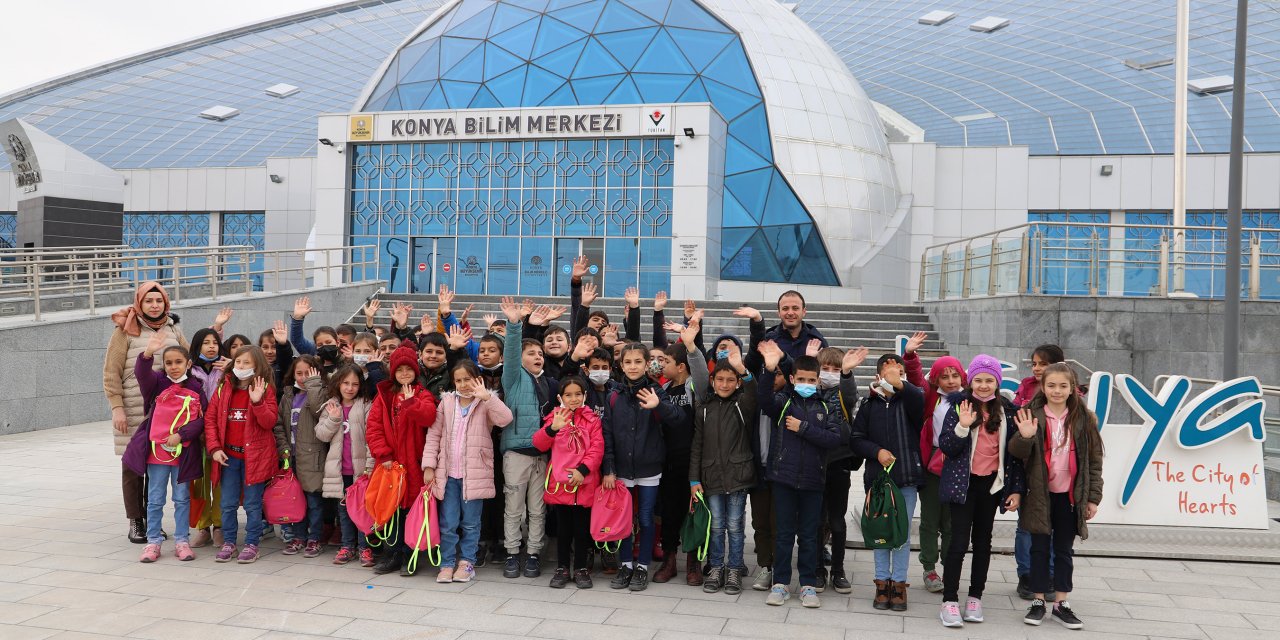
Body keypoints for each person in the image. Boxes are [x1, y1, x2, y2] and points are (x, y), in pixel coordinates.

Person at [1013, 363, 1104, 631]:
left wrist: (1093, 498)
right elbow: (1016, 453)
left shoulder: (1084, 418)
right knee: (1039, 548)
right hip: (1039, 494)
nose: (1057, 390)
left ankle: (1061, 603)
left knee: (1063, 550)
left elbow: (1095, 461)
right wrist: (1026, 437)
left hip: (1070, 496)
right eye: (1051, 385)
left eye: (1063, 386)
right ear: (1043, 386)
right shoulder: (1031, 414)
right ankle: (1038, 601)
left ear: (1072, 389)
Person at [937, 355, 1025, 628]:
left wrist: (1017, 490)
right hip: (963, 485)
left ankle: (975, 597)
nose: (984, 385)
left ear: (997, 382)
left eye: (989, 380)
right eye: (978, 380)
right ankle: (949, 599)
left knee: (983, 543)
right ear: (970, 380)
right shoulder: (958, 405)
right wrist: (963, 426)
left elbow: (1015, 458)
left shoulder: (1007, 411)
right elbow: (947, 447)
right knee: (958, 543)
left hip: (992, 486)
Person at [756, 343, 843, 609]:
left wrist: (804, 428)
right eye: (801, 379)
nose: (806, 383)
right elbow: (764, 400)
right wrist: (770, 369)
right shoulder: (785, 401)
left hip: (813, 482)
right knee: (783, 534)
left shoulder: (825, 406)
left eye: (811, 380)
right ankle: (780, 583)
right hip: (783, 478)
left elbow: (834, 438)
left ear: (818, 381)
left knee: (808, 535)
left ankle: (807, 585)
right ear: (792, 379)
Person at [103, 281, 187, 543]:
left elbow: (189, 361)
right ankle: (136, 521)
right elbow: (111, 373)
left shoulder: (173, 329)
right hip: (133, 407)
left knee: (157, 465)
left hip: (166, 412)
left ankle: (152, 521)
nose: (154, 305)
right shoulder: (124, 331)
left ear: (166, 303)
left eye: (159, 301)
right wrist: (117, 407)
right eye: (149, 301)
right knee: (132, 467)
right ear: (140, 303)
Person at [423, 361, 513, 583]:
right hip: (448, 475)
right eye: (459, 380)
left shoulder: (485, 402)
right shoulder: (446, 403)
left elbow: (505, 419)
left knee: (471, 523)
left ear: (477, 379)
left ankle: (467, 563)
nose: (463, 384)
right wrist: (429, 466)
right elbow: (433, 435)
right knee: (448, 522)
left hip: (474, 475)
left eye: (467, 379)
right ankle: (446, 563)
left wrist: (487, 397)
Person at [603, 342, 683, 592]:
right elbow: (607, 434)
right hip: (622, 469)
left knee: (647, 518)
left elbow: (678, 420)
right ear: (621, 365)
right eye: (628, 362)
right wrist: (609, 467)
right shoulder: (613, 395)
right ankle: (626, 564)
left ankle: (642, 567)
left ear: (647, 364)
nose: (633, 366)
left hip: (649, 467)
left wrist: (658, 405)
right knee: (625, 519)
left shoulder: (656, 390)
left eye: (638, 362)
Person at [121, 331, 206, 563]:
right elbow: (141, 374)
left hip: (184, 453)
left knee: (181, 499)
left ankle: (181, 541)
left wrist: (181, 435)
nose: (173, 367)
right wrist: (147, 354)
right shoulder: (157, 383)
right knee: (155, 498)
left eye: (178, 362)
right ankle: (153, 542)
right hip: (156, 454)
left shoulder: (196, 387)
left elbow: (201, 419)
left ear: (188, 363)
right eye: (169, 363)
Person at [850, 353, 925, 612]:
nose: (892, 375)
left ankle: (900, 584)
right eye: (887, 371)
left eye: (898, 371)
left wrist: (902, 384)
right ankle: (882, 583)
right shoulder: (868, 404)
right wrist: (876, 451)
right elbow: (856, 438)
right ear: (877, 376)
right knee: (882, 532)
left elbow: (920, 398)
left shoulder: (911, 401)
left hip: (906, 478)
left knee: (901, 535)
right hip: (878, 481)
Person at [496, 297, 560, 579]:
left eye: (540, 354)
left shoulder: (547, 382)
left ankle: (533, 553)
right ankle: (512, 553)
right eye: (531, 353)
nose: (538, 357)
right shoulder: (513, 377)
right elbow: (510, 353)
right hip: (517, 454)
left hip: (541, 455)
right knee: (513, 509)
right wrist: (514, 324)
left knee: (537, 509)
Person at [365, 343, 439, 576]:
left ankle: (411, 554)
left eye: (409, 369)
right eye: (400, 370)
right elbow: (373, 428)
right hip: (390, 466)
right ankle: (393, 553)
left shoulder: (422, 394)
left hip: (414, 465)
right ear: (393, 372)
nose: (404, 373)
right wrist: (383, 453)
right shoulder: (384, 397)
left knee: (412, 512)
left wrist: (410, 403)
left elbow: (428, 417)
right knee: (392, 511)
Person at [689, 348, 757, 595]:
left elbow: (753, 391)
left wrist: (743, 370)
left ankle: (735, 568)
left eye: (730, 380)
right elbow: (697, 445)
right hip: (711, 477)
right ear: (712, 381)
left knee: (736, 526)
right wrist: (694, 479)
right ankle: (716, 566)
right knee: (716, 525)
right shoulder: (703, 408)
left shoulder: (742, 404)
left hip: (738, 476)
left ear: (737, 382)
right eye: (720, 379)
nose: (725, 384)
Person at [205, 346, 279, 564]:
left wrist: (257, 402)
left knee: (252, 504)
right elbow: (210, 420)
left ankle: (252, 544)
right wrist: (215, 448)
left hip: (254, 458)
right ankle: (229, 542)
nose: (241, 367)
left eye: (247, 363)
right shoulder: (224, 388)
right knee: (227, 503)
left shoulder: (265, 390)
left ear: (257, 366)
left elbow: (269, 422)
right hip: (228, 457)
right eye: (238, 362)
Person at [532, 376, 604, 589]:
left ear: (584, 396)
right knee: (563, 530)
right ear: (560, 397)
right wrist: (552, 429)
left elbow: (597, 448)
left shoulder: (592, 419)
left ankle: (581, 568)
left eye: (577, 394)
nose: (573, 399)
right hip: (561, 485)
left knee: (582, 530)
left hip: (584, 483)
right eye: (568, 395)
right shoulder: (555, 416)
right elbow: (539, 444)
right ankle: (562, 567)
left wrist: (583, 470)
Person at [1012, 344, 1066, 598]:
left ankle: (1051, 575)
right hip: (1030, 470)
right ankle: (1027, 575)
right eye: (1034, 363)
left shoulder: (1070, 397)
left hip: (1060, 476)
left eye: (1043, 364)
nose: (1037, 368)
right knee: (1026, 527)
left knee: (1055, 527)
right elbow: (1015, 435)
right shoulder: (1024, 391)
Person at [813, 345, 867, 594]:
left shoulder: (842, 395)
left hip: (838, 464)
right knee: (816, 520)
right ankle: (817, 570)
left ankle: (838, 570)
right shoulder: (810, 391)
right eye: (826, 368)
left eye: (835, 369)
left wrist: (846, 373)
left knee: (837, 520)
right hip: (813, 464)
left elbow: (850, 393)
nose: (830, 373)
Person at [315, 364, 374, 566]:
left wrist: (370, 466)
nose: (349, 388)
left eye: (355, 384)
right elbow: (321, 434)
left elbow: (372, 437)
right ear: (338, 383)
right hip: (339, 471)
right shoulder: (331, 405)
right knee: (344, 510)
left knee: (363, 510)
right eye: (346, 383)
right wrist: (333, 419)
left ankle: (364, 547)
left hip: (361, 470)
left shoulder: (366, 404)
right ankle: (348, 546)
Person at [919, 355, 966, 594]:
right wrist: (910, 357)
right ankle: (929, 567)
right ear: (935, 379)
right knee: (929, 520)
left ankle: (950, 566)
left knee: (951, 522)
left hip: (959, 465)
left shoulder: (969, 400)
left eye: (955, 375)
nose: (950, 381)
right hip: (932, 463)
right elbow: (916, 379)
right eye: (944, 376)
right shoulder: (931, 399)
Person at [273, 356, 329, 558]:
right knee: (295, 500)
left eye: (309, 372)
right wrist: (283, 447)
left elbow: (317, 411)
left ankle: (314, 538)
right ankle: (298, 537)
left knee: (314, 501)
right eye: (300, 373)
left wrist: (314, 385)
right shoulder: (288, 395)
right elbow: (278, 425)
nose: (304, 377)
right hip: (292, 456)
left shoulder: (322, 392)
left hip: (313, 457)